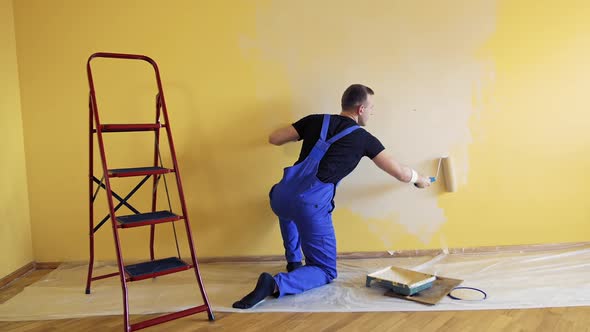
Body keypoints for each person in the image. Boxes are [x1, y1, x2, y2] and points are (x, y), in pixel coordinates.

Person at [232, 84, 431, 309]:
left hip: (280, 196)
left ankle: (294, 262)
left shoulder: (315, 120)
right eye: (372, 108)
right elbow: (402, 173)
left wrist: (306, 130)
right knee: (325, 270)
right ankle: (274, 285)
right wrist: (419, 178)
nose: (372, 112)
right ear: (361, 109)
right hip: (309, 203)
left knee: (288, 209)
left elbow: (274, 138)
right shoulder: (365, 140)